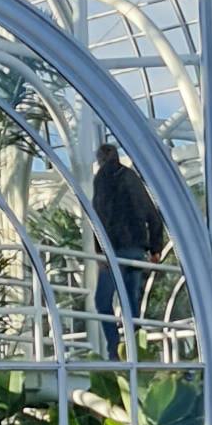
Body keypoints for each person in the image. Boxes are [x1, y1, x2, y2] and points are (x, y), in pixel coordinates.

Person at [91, 139, 166, 343]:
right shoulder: (130, 178)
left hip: (113, 248)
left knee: (103, 301)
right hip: (136, 248)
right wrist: (155, 249)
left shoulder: (101, 180)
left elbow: (97, 217)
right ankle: (134, 347)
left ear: (99, 160)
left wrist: (99, 251)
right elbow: (152, 213)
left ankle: (115, 347)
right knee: (130, 301)